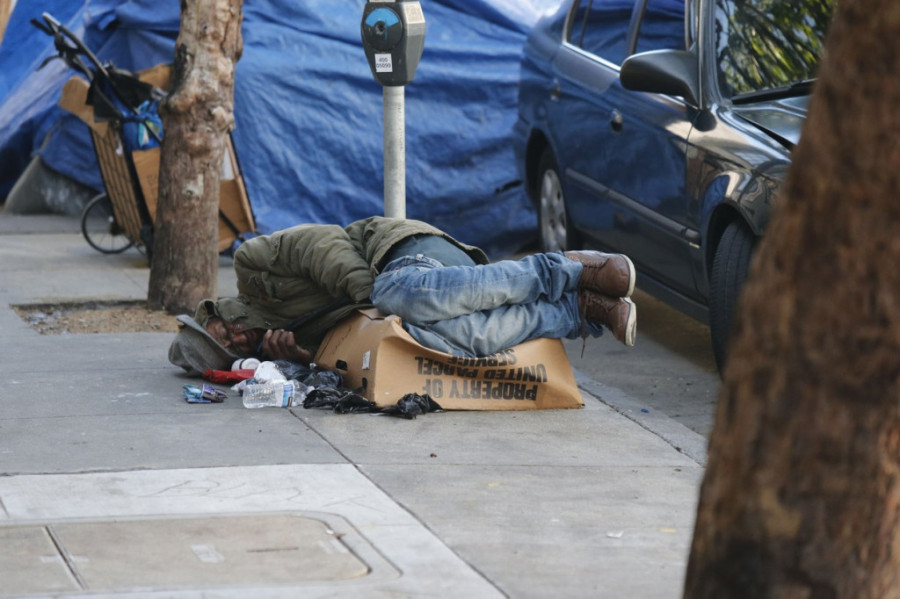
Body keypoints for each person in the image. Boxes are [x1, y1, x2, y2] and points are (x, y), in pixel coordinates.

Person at [169, 216, 636, 375]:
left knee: (398, 298)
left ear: (212, 311)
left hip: (399, 254)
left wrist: (371, 304)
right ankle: (579, 310)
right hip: (426, 294)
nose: (236, 337)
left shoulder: (252, 266)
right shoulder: (277, 348)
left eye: (221, 331)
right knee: (453, 339)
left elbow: (325, 244)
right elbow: (351, 349)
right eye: (231, 349)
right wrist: (304, 358)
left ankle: (572, 269)